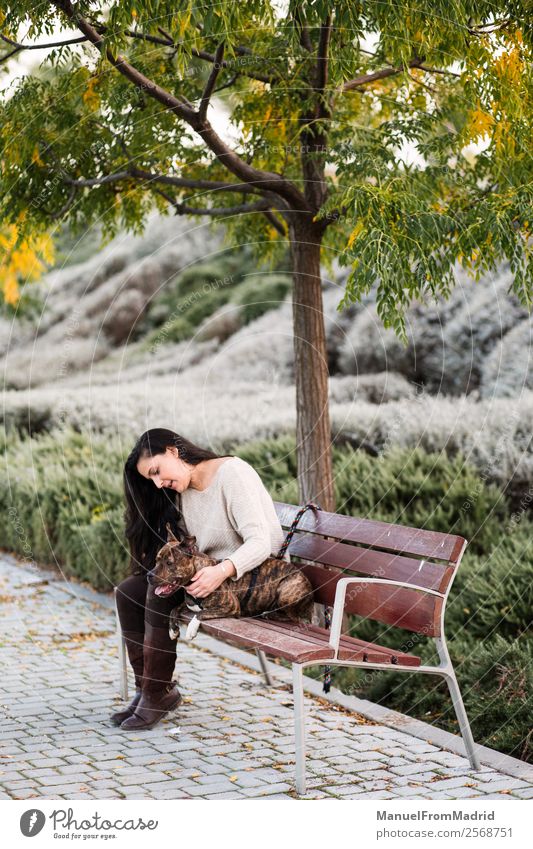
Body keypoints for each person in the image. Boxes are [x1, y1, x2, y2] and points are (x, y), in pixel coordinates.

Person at [113, 427, 289, 730]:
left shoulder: (232, 474)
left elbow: (262, 543)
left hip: (254, 584)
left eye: (156, 471)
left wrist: (222, 570)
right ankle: (151, 689)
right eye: (150, 480)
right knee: (129, 592)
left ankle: (156, 694)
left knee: (159, 597)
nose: (157, 483)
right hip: (212, 581)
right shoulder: (182, 491)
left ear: (172, 451)